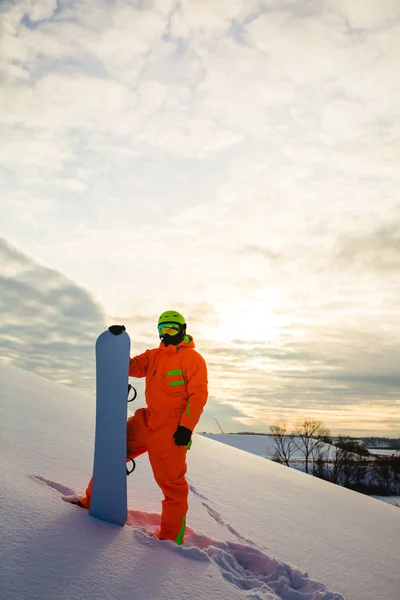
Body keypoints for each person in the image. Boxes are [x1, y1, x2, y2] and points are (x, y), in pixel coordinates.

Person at [75, 310, 208, 545]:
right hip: (146, 420)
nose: (167, 333)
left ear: (183, 330)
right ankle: (92, 500)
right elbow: (128, 367)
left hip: (172, 430)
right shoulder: (153, 356)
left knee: (172, 485)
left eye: (172, 328)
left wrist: (186, 428)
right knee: (112, 453)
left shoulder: (192, 359)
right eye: (162, 329)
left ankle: (170, 536)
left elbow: (198, 396)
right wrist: (115, 344)